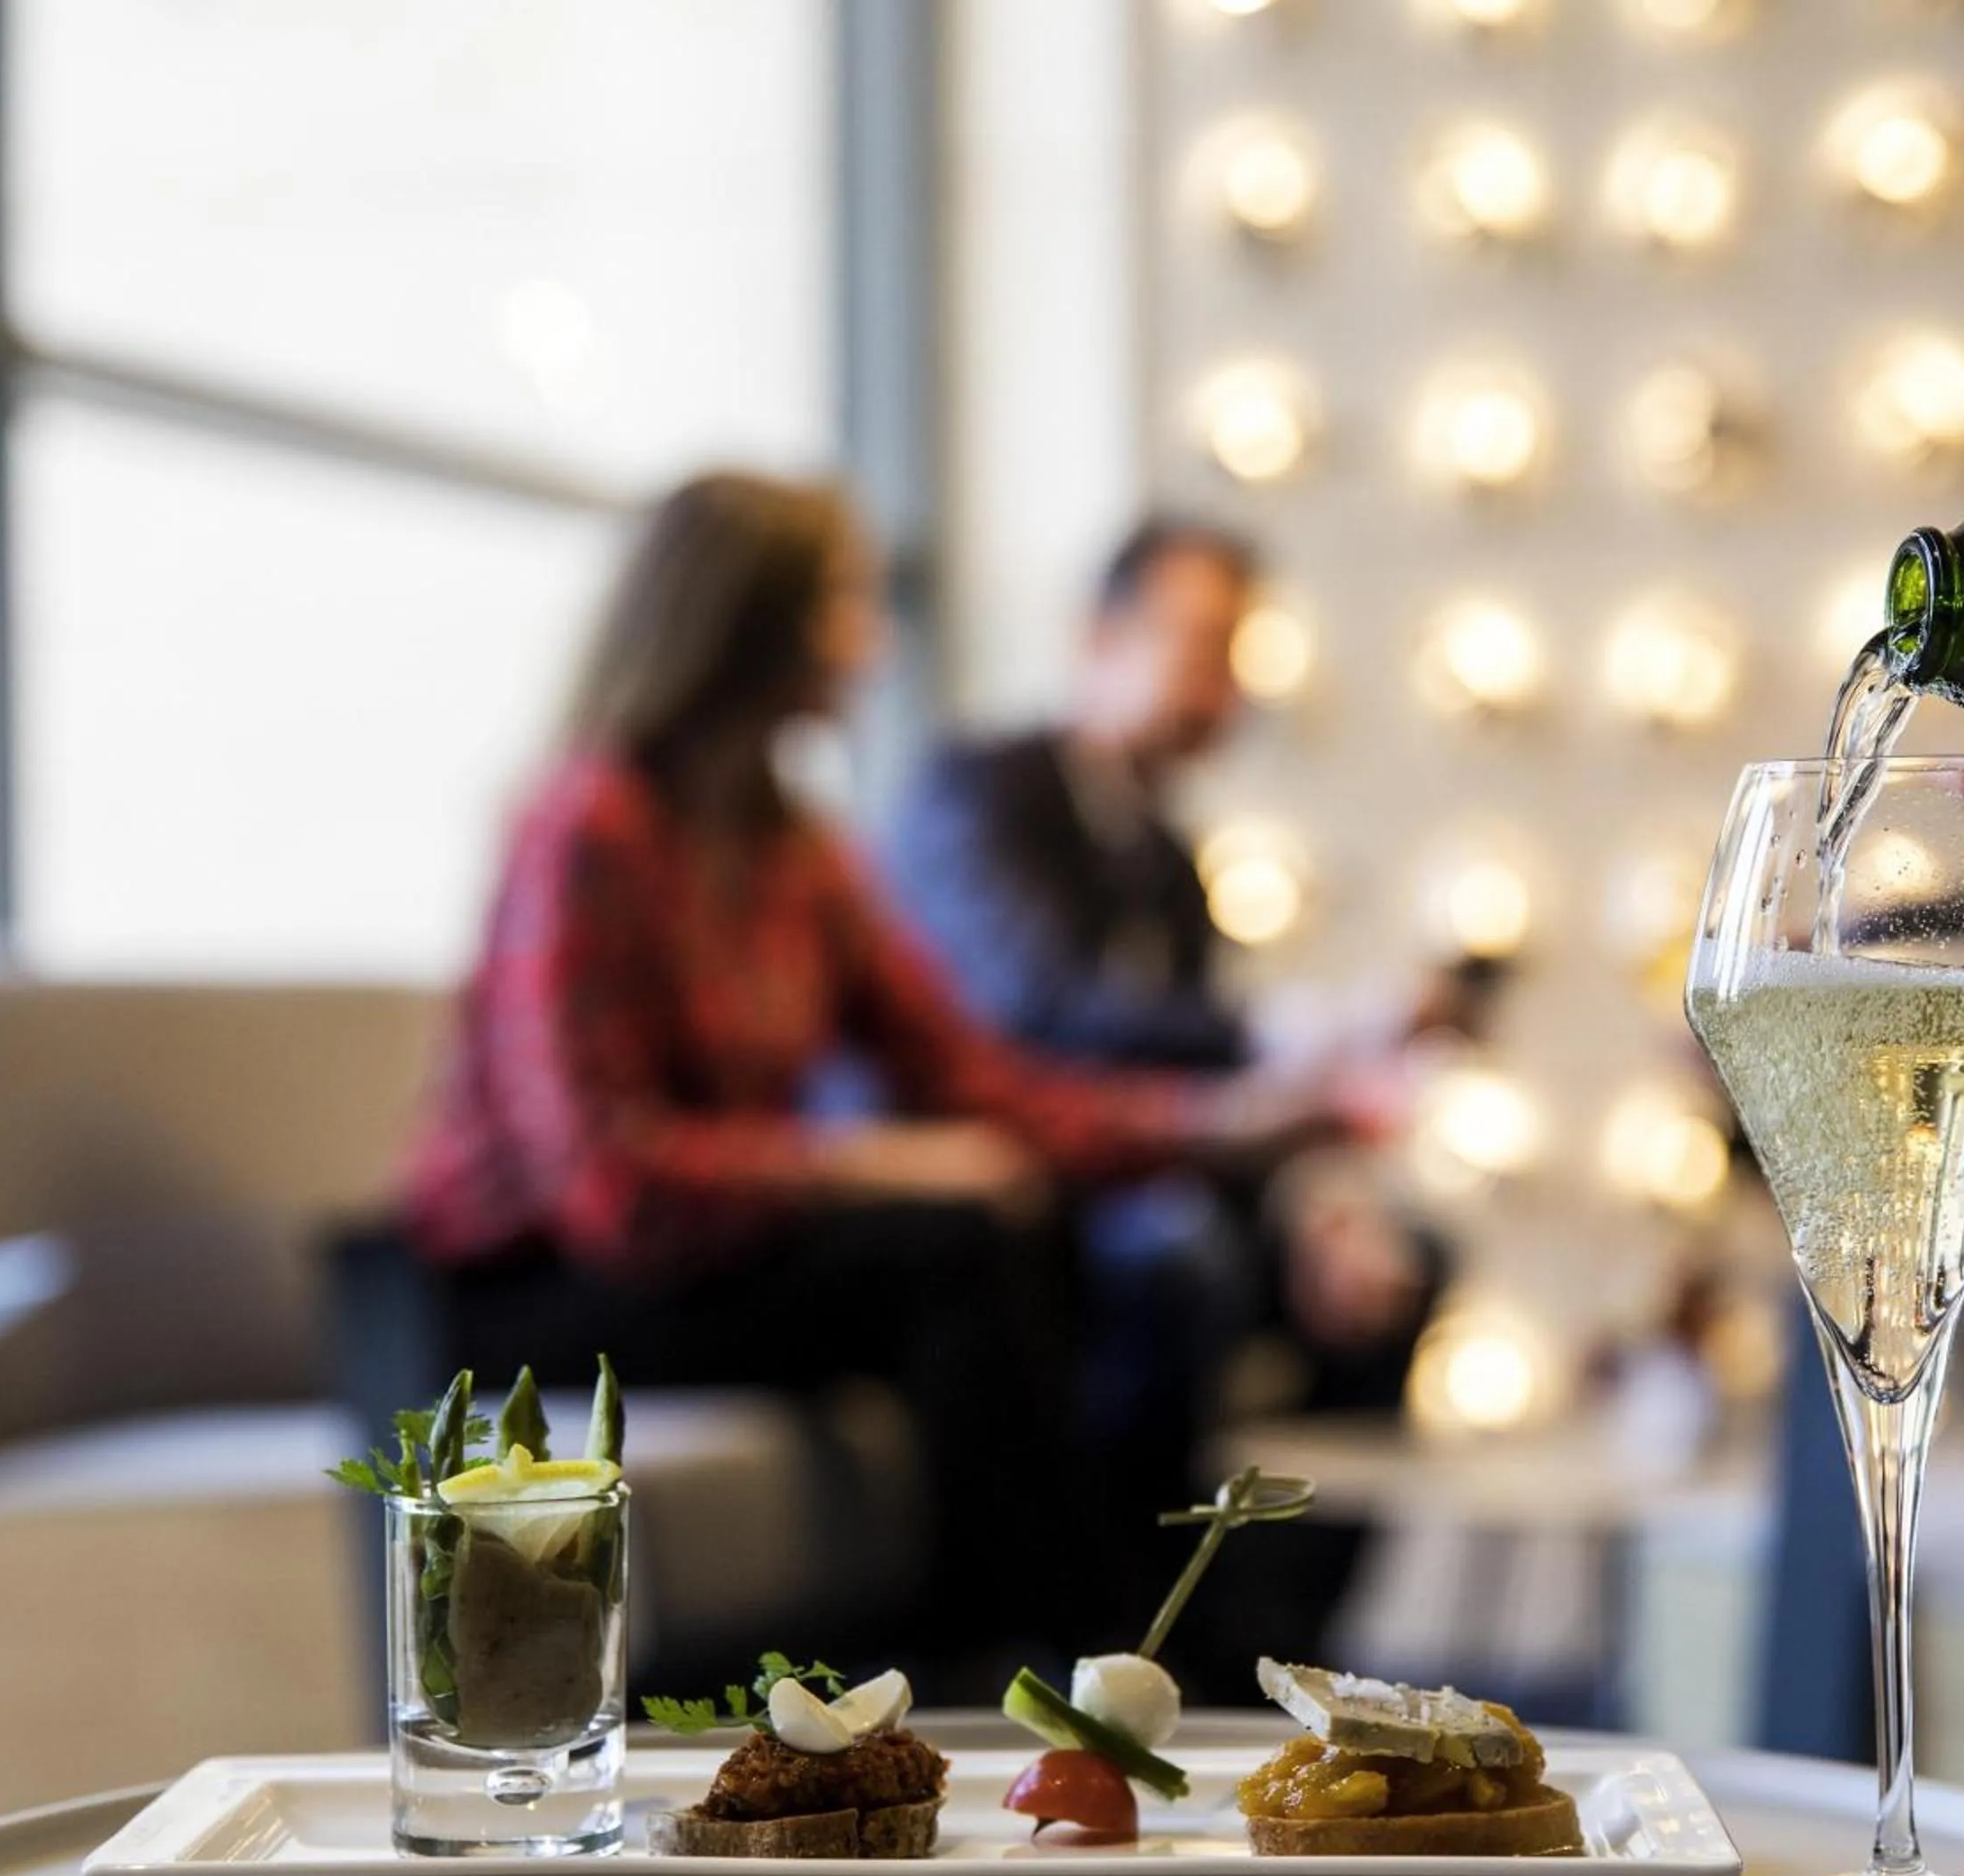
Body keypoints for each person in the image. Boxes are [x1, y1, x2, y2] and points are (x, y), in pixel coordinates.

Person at [400, 473, 1343, 1679]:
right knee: (956, 1248)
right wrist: (861, 1161)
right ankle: (1048, 1660)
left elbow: (976, 1084)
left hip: (699, 1255)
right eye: (848, 604)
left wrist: (1220, 1126)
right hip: (529, 1287)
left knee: (1011, 1221)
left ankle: (1049, 1658)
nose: (875, 638)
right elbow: (606, 1182)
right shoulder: (588, 826)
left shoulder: (796, 852)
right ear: (754, 622)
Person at [885, 519, 1457, 1665]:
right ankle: (1141, 1648)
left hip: (1149, 1168)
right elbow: (1042, 1008)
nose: (1227, 687)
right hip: (1013, 1184)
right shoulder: (978, 794)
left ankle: (1284, 1641)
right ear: (1102, 636)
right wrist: (1306, 1025)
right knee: (1182, 1257)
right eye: (1205, 644)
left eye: (1238, 653)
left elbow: (1211, 1084)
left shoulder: (1168, 856)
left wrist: (1323, 1204)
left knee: (1409, 1259)